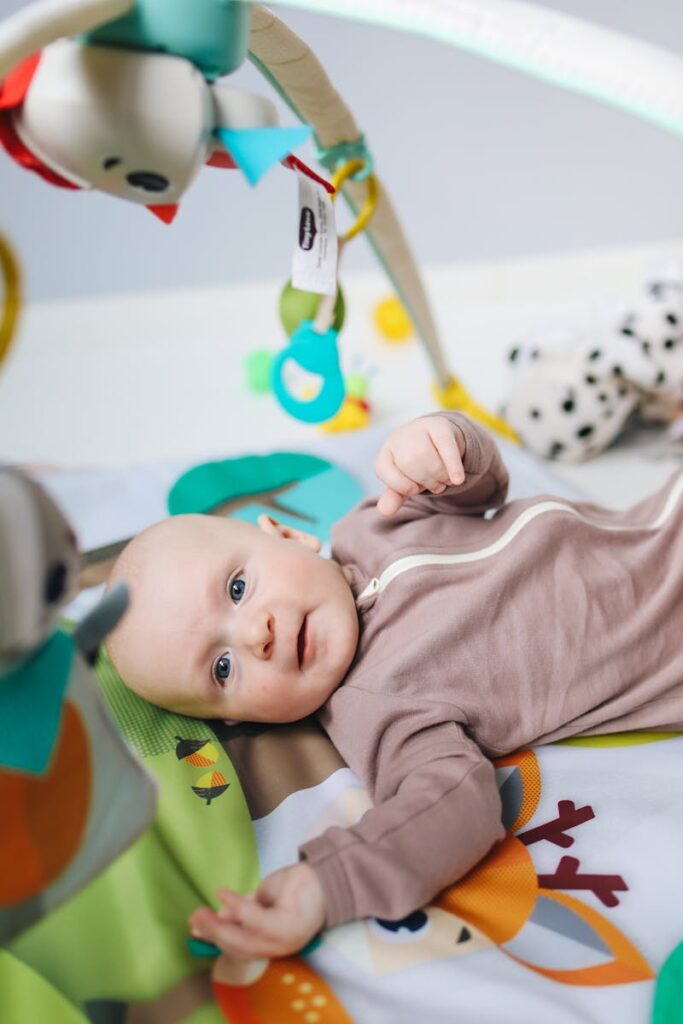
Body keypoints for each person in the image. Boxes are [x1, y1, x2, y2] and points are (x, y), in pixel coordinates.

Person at [106, 411, 683, 962]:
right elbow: (450, 804)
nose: (256, 633)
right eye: (223, 669)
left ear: (287, 535)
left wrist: (442, 445)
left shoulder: (370, 523)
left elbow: (480, 490)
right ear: (241, 719)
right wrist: (327, 883)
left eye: (237, 589)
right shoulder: (378, 711)